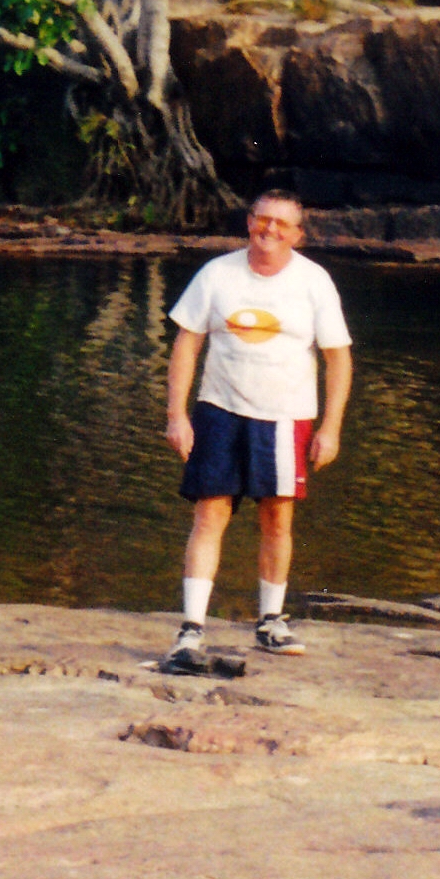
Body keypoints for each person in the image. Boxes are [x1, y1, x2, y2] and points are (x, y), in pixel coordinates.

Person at [159, 189, 352, 672]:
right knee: (210, 515)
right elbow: (187, 344)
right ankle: (191, 630)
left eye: (281, 224)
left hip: (287, 417)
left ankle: (270, 621)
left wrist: (330, 427)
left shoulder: (314, 282)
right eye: (262, 220)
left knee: (277, 519)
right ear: (249, 222)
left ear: (297, 234)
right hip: (219, 411)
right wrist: (177, 415)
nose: (269, 230)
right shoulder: (218, 274)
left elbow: (338, 358)